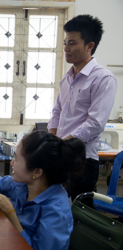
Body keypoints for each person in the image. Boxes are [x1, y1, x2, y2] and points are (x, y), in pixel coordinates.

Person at [0, 131, 86, 250]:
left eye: (16, 159)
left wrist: (9, 210)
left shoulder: (57, 211)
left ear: (37, 172)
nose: (12, 162)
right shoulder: (25, 184)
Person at [47, 15, 117, 202]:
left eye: (72, 43)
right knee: (54, 207)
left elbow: (95, 124)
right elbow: (57, 113)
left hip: (82, 160)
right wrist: (54, 141)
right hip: (61, 156)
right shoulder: (67, 78)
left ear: (89, 46)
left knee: (79, 214)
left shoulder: (103, 79)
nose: (66, 48)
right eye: (65, 42)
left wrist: (63, 143)